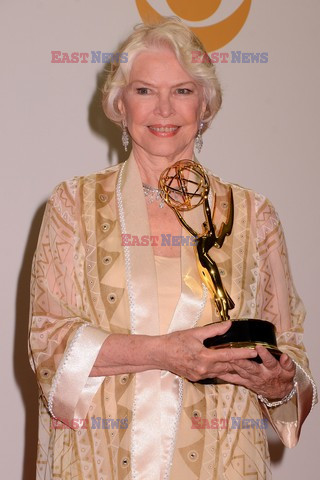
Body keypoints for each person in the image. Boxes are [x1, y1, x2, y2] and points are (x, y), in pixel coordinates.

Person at [28, 17, 317, 480]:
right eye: (144, 91)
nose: (164, 109)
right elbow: (48, 344)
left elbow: (292, 354)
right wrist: (165, 352)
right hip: (99, 463)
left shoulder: (254, 214)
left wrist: (279, 383)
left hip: (224, 463)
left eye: (182, 91)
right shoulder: (72, 205)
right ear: (120, 104)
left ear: (206, 106)